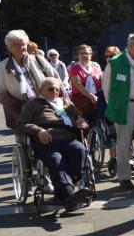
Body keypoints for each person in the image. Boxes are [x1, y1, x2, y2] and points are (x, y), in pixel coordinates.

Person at [14, 77, 92, 211]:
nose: (55, 92)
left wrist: (83, 123)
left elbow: (81, 118)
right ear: (41, 90)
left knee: (79, 149)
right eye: (51, 89)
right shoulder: (34, 104)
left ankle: (68, 189)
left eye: (57, 89)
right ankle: (67, 194)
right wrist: (39, 130)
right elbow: (20, 124)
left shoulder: (67, 103)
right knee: (56, 159)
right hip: (47, 139)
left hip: (68, 137)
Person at [103, 33, 134, 192]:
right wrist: (115, 106)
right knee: (124, 143)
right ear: (130, 46)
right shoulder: (114, 63)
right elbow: (106, 88)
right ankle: (124, 177)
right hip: (124, 106)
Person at [0, 29, 59, 128]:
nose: (21, 47)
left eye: (23, 44)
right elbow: (1, 94)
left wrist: (60, 100)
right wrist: (21, 107)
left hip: (48, 107)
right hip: (21, 112)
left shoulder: (38, 59)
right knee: (29, 135)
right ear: (9, 48)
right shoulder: (2, 67)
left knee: (53, 132)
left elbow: (56, 80)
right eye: (16, 45)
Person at [68, 44, 104, 125]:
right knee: (84, 125)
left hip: (96, 102)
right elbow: (78, 85)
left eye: (86, 53)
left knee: (96, 124)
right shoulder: (74, 68)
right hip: (81, 103)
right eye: (82, 53)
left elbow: (101, 84)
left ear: (91, 56)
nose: (84, 55)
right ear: (78, 56)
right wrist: (91, 97)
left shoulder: (96, 68)